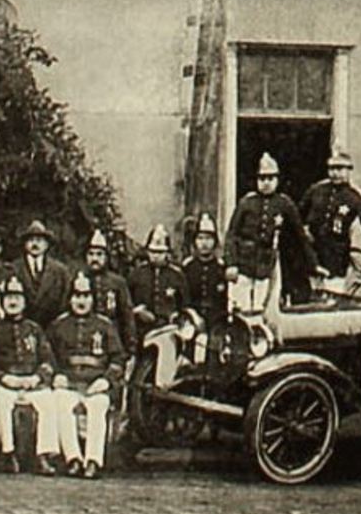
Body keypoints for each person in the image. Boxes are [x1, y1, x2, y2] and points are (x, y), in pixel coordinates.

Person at [48, 273, 125, 480]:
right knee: (60, 402)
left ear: (92, 299)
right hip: (70, 384)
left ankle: (93, 460)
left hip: (95, 385)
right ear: (70, 298)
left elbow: (118, 360)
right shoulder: (58, 326)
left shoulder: (105, 325)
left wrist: (106, 380)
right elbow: (47, 358)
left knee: (98, 405)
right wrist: (56, 375)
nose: (81, 301)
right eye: (76, 296)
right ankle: (73, 458)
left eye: (85, 296)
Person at [224, 153, 322, 314]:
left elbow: (300, 237)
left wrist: (314, 264)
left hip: (266, 263)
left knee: (262, 307)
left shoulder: (284, 204)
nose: (266, 183)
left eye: (270, 178)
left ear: (277, 180)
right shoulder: (246, 203)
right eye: (262, 179)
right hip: (243, 263)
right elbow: (232, 234)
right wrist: (231, 263)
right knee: (240, 307)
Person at [0, 276, 59, 475]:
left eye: (17, 297)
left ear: (24, 302)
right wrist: (3, 378)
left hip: (31, 384)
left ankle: (43, 455)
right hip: (6, 384)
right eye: (8, 297)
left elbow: (48, 361)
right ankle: (8, 453)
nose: (13, 302)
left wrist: (37, 377)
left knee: (48, 401)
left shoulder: (34, 329)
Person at [299, 149, 361, 291]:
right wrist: (304, 232)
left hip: (335, 257)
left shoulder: (355, 198)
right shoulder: (316, 190)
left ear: (349, 171)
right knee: (310, 296)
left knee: (333, 296)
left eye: (340, 169)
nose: (335, 173)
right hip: (312, 254)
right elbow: (297, 216)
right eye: (332, 169)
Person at [181, 212, 230, 361]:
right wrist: (193, 317)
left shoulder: (222, 268)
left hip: (217, 320)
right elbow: (183, 298)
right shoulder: (188, 267)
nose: (204, 243)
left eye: (208, 238)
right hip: (193, 320)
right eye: (200, 238)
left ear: (215, 242)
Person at [81, 230, 135, 355]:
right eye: (91, 254)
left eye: (99, 254)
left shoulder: (118, 282)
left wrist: (130, 347)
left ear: (106, 257)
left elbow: (127, 315)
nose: (95, 258)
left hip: (113, 337)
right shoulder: (79, 280)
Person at [127, 224, 188, 333]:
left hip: (169, 328)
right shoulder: (136, 274)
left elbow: (185, 304)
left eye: (160, 252)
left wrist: (176, 316)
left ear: (167, 253)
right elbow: (127, 303)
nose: (155, 256)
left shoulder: (177, 275)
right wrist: (137, 311)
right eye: (152, 251)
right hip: (141, 328)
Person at [12, 220, 71, 327]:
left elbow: (65, 300)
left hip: (53, 327)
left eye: (39, 240)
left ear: (47, 244)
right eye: (31, 240)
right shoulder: (13, 269)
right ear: (25, 244)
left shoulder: (61, 271)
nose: (35, 244)